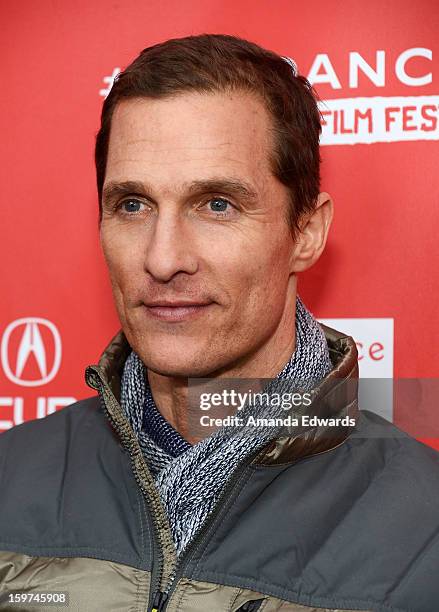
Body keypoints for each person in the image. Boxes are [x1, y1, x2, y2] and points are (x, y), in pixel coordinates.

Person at [0, 34, 438, 612]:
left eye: (216, 204)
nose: (162, 258)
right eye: (132, 204)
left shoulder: (426, 527)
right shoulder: (10, 479)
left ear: (305, 232)